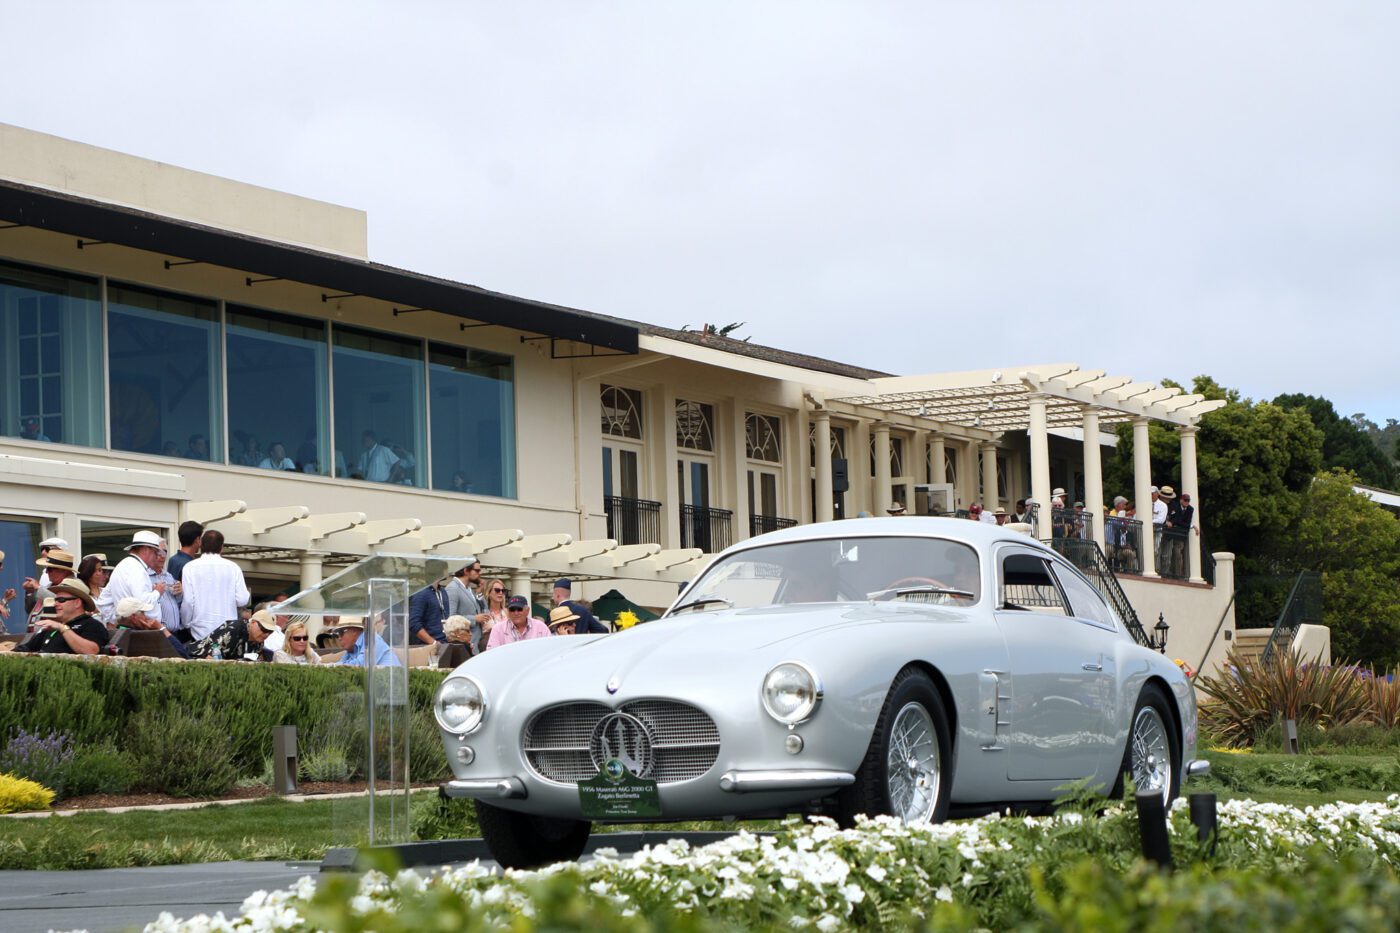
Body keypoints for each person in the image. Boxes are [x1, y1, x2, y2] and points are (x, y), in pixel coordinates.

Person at [180, 529, 251, 640]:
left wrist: (186, 623)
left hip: (199, 630)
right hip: (227, 631)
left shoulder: (189, 567)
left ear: (201, 544)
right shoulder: (233, 568)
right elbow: (242, 600)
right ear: (221, 547)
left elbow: (188, 601)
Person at [15, 580, 107, 655]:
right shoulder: (53, 627)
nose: (55, 604)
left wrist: (62, 628)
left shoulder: (92, 625)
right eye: (55, 600)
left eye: (61, 600)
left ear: (77, 603)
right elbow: (25, 649)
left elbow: (91, 650)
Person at [96, 531, 165, 625]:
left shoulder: (122, 566)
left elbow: (103, 602)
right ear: (146, 549)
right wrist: (157, 592)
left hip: (131, 627)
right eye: (155, 552)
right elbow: (143, 602)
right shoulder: (137, 569)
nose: (157, 557)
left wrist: (116, 621)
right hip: (142, 628)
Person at [112, 594, 189, 657]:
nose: (146, 617)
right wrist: (161, 628)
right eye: (143, 613)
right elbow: (182, 654)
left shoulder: (114, 633)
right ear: (134, 618)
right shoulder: (144, 637)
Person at [189, 608, 278, 661]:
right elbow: (211, 659)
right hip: (193, 660)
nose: (266, 634)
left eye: (270, 631)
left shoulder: (259, 641)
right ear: (253, 622)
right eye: (264, 629)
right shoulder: (235, 628)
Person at [25, 547, 77, 629]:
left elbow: (59, 600)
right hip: (36, 634)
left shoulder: (74, 585)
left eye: (49, 569)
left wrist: (38, 588)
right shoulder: (49, 586)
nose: (46, 572)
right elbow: (29, 609)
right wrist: (29, 592)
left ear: (63, 570)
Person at [331, 616, 401, 667]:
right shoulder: (352, 649)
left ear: (354, 630)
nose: (339, 638)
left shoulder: (372, 640)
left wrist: (330, 666)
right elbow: (340, 664)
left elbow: (359, 666)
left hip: (391, 681)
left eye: (341, 633)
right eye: (338, 634)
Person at [485, 595, 551, 648]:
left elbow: (549, 649)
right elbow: (492, 653)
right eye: (512, 609)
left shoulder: (541, 627)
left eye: (519, 609)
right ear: (508, 611)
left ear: (527, 610)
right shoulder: (498, 629)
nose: (516, 613)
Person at [409, 576, 451, 645]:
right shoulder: (421, 593)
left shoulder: (443, 591)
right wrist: (433, 642)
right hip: (428, 646)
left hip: (445, 643)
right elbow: (414, 623)